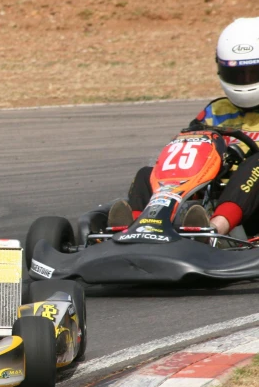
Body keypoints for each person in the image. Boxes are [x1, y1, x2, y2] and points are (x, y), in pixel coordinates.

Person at [109, 17, 259, 237]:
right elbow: (190, 142)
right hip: (213, 189)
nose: (244, 81)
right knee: (147, 174)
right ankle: (137, 228)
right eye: (236, 75)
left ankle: (215, 229)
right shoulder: (216, 110)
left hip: (253, 196)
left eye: (252, 73)